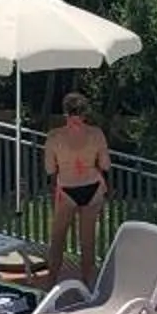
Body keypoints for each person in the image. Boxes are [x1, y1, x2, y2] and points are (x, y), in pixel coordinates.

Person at [43, 93, 112, 286]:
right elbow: (105, 165)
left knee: (58, 238)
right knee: (87, 241)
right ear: (85, 112)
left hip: (67, 189)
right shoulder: (96, 134)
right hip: (93, 188)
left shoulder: (54, 136)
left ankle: (51, 283)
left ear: (65, 112)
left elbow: (50, 169)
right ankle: (87, 284)